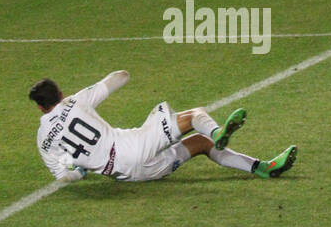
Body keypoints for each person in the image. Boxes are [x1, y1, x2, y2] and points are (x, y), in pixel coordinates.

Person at [31, 72, 297, 185]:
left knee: (200, 145)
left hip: (132, 175)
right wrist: (86, 94)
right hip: (131, 147)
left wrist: (79, 170)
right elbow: (121, 76)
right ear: (61, 93)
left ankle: (264, 167)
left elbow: (61, 174)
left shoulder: (43, 138)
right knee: (195, 116)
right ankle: (220, 134)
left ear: (41, 108)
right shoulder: (76, 101)